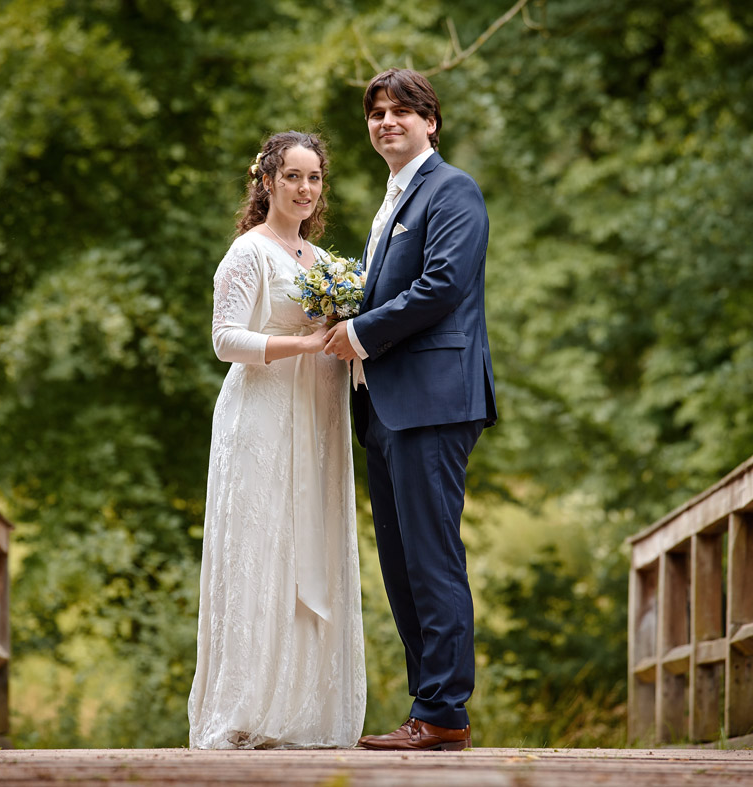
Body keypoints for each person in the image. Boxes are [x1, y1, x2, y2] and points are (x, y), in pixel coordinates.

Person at [324, 69, 496, 751]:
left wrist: (359, 332)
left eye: (401, 111)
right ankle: (429, 708)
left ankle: (444, 710)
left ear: (432, 121)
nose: (386, 121)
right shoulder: (392, 197)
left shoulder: (451, 190)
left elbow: (442, 285)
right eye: (376, 113)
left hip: (431, 401)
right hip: (384, 406)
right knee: (400, 565)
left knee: (430, 559)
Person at [188, 131, 366, 749]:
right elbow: (225, 340)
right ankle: (246, 710)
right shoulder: (248, 253)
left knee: (307, 548)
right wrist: (304, 344)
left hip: (316, 418)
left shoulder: (323, 265)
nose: (305, 189)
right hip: (261, 417)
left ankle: (302, 711)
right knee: (263, 549)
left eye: (314, 178)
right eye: (292, 176)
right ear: (266, 182)